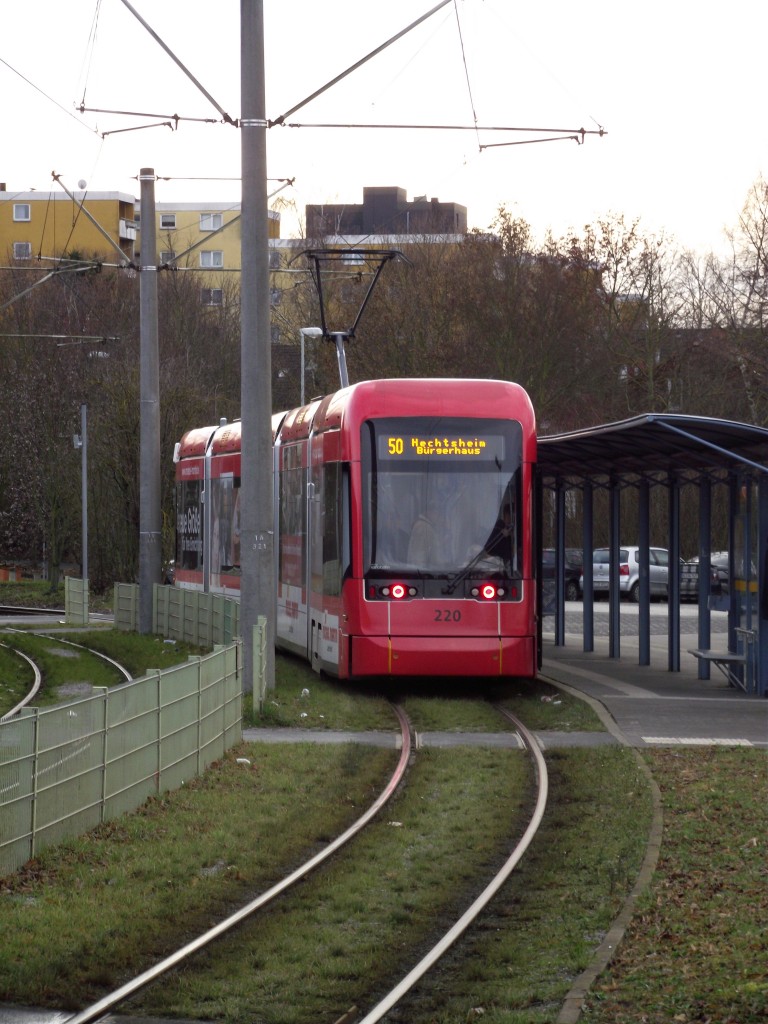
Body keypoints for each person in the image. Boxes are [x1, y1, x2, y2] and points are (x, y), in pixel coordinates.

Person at [483, 503, 514, 567]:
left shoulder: (515, 531)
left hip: (510, 566)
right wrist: (502, 535)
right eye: (509, 516)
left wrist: (512, 535)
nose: (510, 519)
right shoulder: (498, 528)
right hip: (498, 566)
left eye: (512, 517)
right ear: (505, 515)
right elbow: (487, 549)